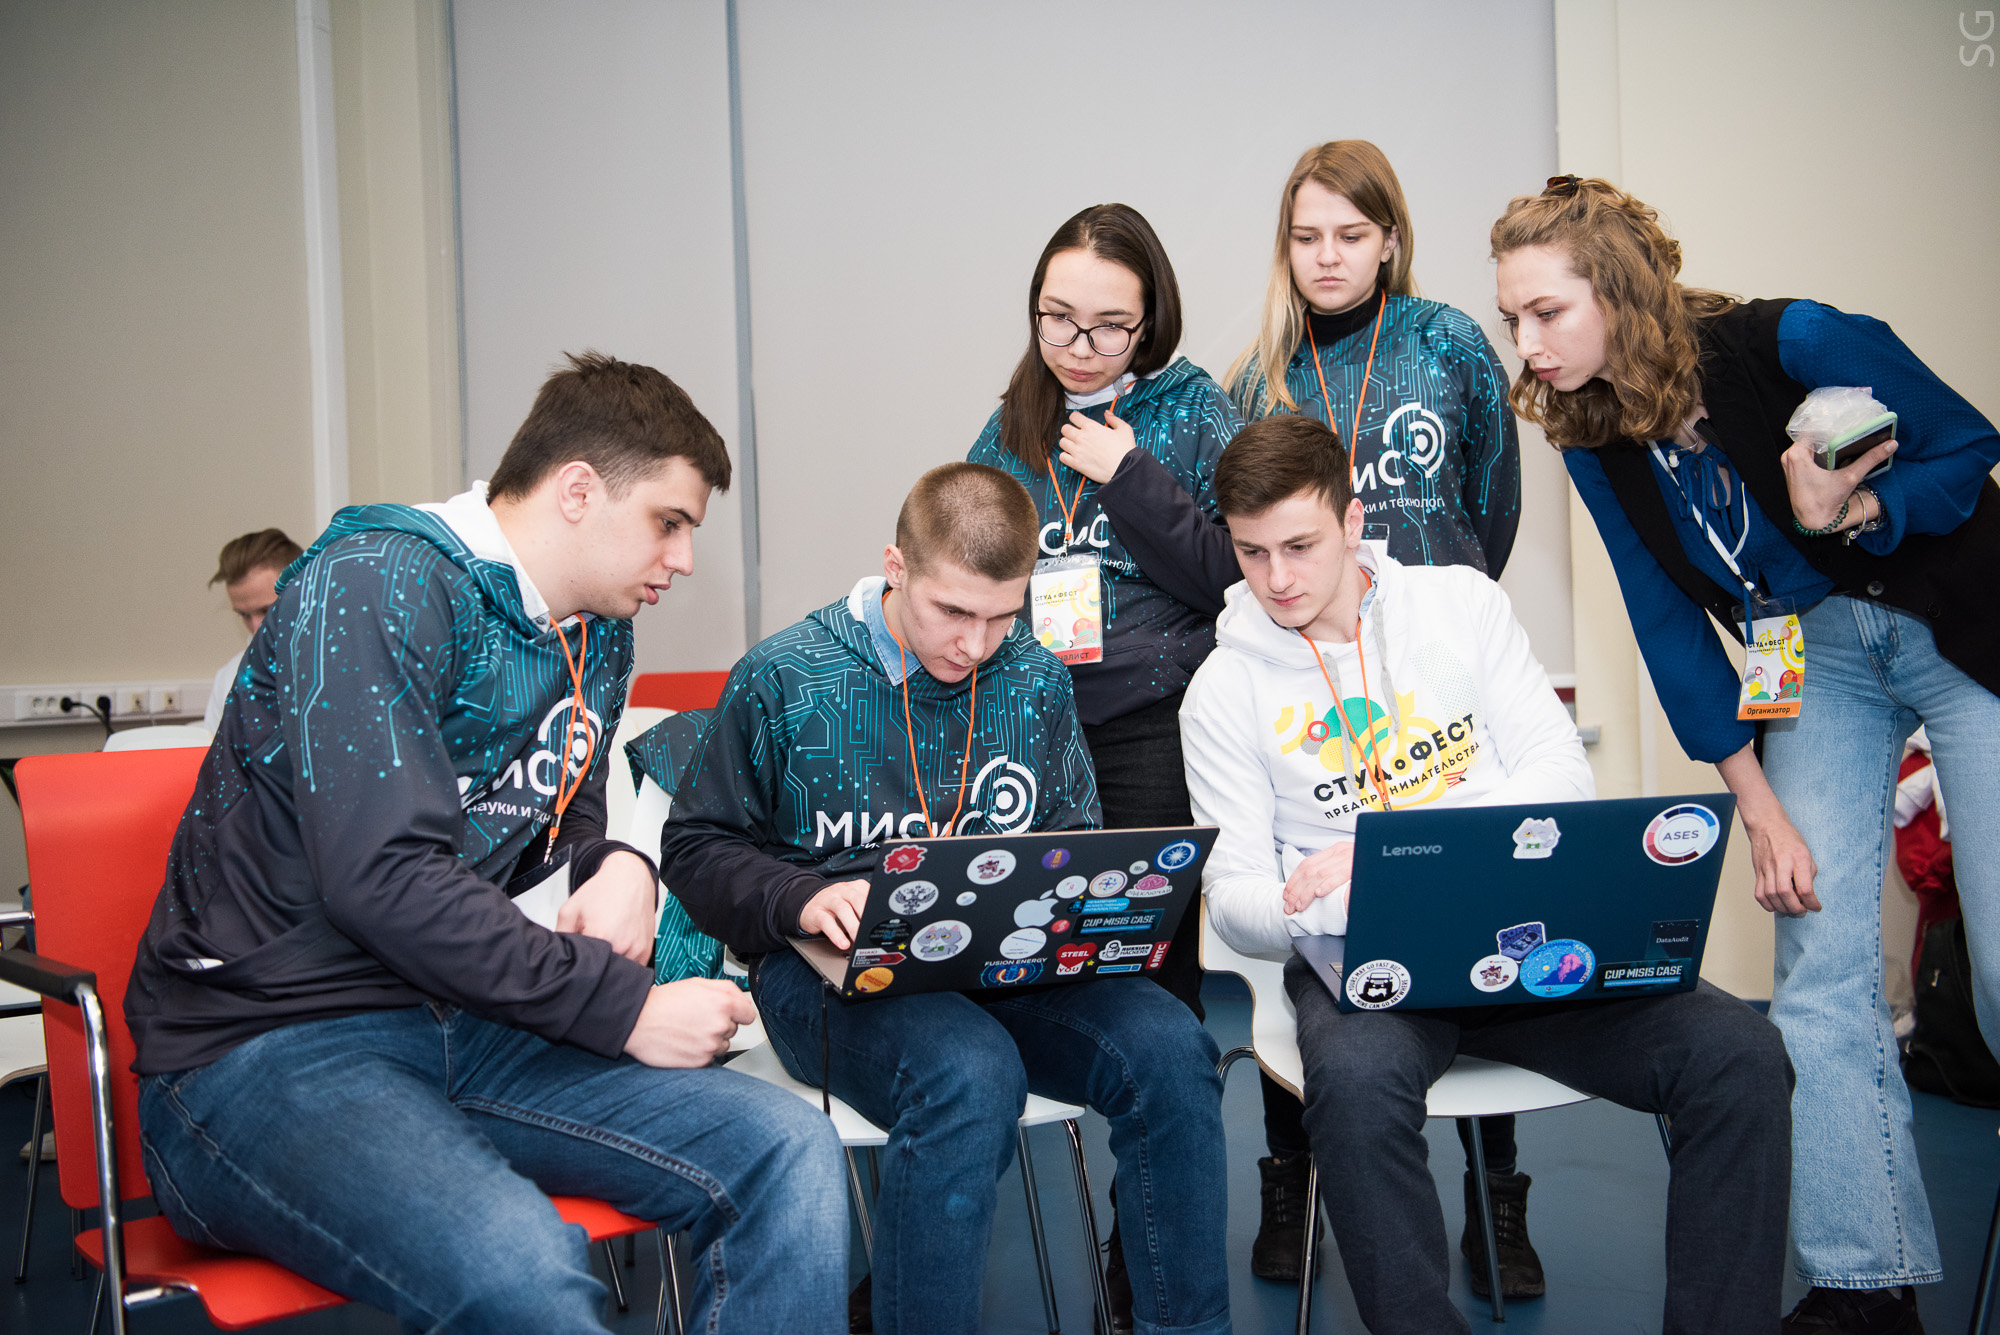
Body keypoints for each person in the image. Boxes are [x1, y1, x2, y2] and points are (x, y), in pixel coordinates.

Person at [127, 353, 847, 1334]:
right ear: (578, 491)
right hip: (264, 1048)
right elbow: (383, 878)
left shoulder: (595, 627)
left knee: (788, 1149)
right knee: (522, 1265)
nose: (682, 558)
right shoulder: (374, 584)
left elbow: (558, 805)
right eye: (668, 522)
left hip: (459, 1019)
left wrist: (611, 862)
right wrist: (623, 1008)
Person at [1492, 176, 2000, 1335]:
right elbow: (1663, 620)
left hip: (1954, 621)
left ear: (1616, 290)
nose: (1525, 344)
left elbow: (1967, 442)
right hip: (1813, 655)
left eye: (1544, 312)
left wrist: (1853, 512)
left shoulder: (1791, 338)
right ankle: (1863, 1288)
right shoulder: (1588, 431)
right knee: (1816, 965)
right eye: (1512, 317)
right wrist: (1756, 807)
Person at [1182, 412, 1794, 1335]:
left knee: (1741, 1057)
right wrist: (1338, 896)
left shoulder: (1461, 603)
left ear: (1353, 519)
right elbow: (1234, 900)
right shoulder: (1224, 689)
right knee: (1354, 1091)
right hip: (1371, 967)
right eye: (1251, 552)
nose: (1277, 579)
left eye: (1300, 546)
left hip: (1531, 938)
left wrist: (1386, 850)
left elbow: (1562, 777)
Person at [656, 462, 1231, 1335]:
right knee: (969, 1072)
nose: (975, 644)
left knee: (1174, 1048)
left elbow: (1073, 832)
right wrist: (801, 897)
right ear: (896, 567)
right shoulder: (785, 675)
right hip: (830, 973)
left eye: (1002, 615)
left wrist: (1093, 900)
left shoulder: (1034, 678)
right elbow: (696, 848)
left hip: (1004, 961)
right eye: (953, 612)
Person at [1221, 139, 1532, 1291]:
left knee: (1478, 918)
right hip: (1308, 685)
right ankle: (1290, 1178)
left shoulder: (1446, 340)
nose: (1326, 257)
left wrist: (1438, 617)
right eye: (1305, 237)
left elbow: (1493, 507)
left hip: (1431, 677)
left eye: (1349, 235)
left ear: (1388, 239)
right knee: (1310, 917)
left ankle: (1495, 1201)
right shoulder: (1257, 375)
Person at [200, 527, 302, 732]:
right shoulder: (230, 677)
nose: (256, 629)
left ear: (304, 592)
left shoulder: (344, 663)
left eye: (267, 610)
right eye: (244, 615)